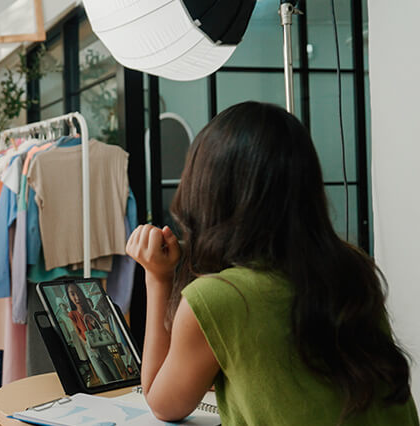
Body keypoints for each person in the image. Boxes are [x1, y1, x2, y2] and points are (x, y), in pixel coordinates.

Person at [126, 101, 418, 424]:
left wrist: (157, 278)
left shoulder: (217, 298)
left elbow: (162, 402)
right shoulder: (353, 267)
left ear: (209, 192)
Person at [66, 283, 123, 384]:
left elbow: (101, 330)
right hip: (90, 348)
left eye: (78, 293)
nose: (77, 297)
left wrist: (94, 324)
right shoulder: (72, 315)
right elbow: (78, 333)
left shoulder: (94, 313)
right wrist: (87, 344)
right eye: (72, 294)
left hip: (102, 347)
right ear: (69, 297)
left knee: (116, 375)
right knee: (104, 378)